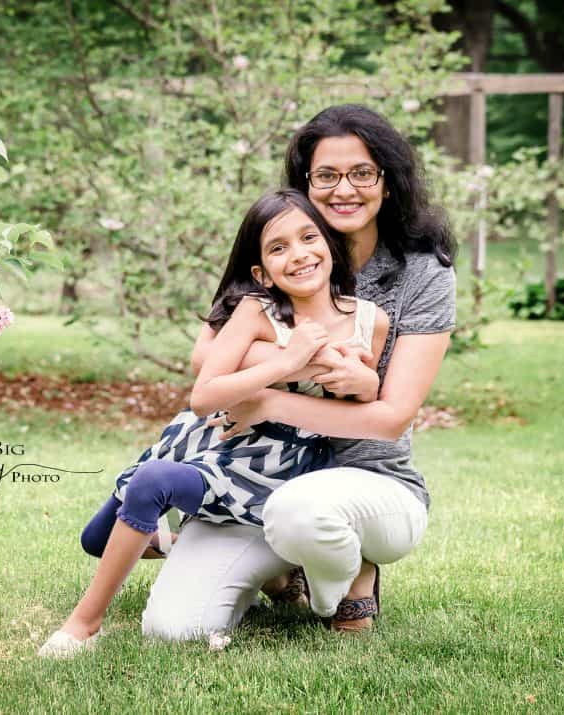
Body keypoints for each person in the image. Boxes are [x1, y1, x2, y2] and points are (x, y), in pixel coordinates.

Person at [141, 104, 457, 637]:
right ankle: (283, 572)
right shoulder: (283, 246)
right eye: (326, 175)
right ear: (305, 183)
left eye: (362, 173)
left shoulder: (423, 273)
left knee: (301, 511)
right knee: (174, 629)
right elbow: (205, 360)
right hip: (260, 473)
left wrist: (267, 397)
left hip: (368, 478)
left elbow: (389, 417)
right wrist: (310, 362)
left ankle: (354, 575)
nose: (344, 190)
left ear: (388, 181)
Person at [38, 188, 389, 658]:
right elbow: (204, 396)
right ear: (261, 271)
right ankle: (246, 565)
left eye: (309, 237)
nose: (299, 254)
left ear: (329, 241)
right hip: (213, 439)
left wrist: (363, 379)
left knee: (152, 484)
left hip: (280, 464)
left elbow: (367, 401)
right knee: (97, 540)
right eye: (278, 247)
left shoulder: (370, 320)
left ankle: (83, 624)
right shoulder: (254, 310)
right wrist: (290, 360)